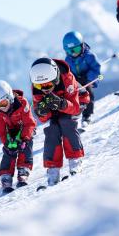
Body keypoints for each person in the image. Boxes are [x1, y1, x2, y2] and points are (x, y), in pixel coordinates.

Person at [29, 57, 84, 186]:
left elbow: (75, 108)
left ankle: (75, 160)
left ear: (55, 78)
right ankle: (53, 169)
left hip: (72, 107)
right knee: (51, 130)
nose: (44, 89)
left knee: (66, 123)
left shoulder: (67, 79)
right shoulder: (37, 87)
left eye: (48, 85)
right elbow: (43, 118)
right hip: (55, 111)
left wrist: (61, 103)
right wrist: (42, 112)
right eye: (39, 85)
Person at [0, 80, 37, 191]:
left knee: (26, 146)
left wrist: (24, 139)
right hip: (11, 132)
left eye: (3, 103)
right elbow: (1, 131)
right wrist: (6, 143)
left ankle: (23, 170)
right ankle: (6, 176)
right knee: (9, 150)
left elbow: (29, 123)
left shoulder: (22, 103)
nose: (1, 107)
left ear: (9, 97)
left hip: (25, 129)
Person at [62, 31, 101, 129]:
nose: (74, 53)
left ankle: (87, 116)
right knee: (73, 95)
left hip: (87, 79)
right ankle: (73, 114)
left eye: (76, 49)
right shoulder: (68, 60)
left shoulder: (89, 56)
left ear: (82, 45)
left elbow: (96, 69)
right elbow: (68, 72)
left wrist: (92, 80)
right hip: (76, 81)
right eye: (70, 51)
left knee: (88, 95)